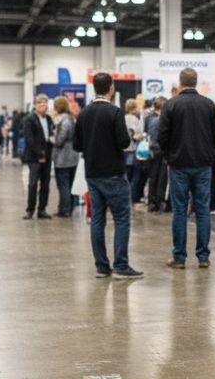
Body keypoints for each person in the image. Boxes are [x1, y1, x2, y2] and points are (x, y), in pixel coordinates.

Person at [75, 72, 143, 279]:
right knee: (122, 218)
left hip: (92, 173)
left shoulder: (84, 113)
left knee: (97, 218)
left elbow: (77, 145)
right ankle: (121, 265)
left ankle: (102, 267)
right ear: (111, 88)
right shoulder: (114, 112)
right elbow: (123, 142)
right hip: (113, 172)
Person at [157, 68, 215, 269]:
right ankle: (203, 257)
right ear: (195, 82)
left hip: (178, 165)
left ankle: (179, 257)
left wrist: (170, 155)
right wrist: (206, 150)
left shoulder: (171, 104)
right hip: (202, 165)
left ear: (180, 83)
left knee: (179, 211)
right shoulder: (208, 104)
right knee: (202, 210)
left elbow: (162, 136)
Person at [21, 94, 53, 219]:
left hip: (47, 155)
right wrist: (39, 154)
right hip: (34, 156)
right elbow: (29, 140)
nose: (42, 106)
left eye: (44, 103)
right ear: (35, 105)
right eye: (39, 103)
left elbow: (50, 134)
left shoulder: (49, 119)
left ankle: (42, 209)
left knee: (46, 184)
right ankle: (30, 210)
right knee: (33, 184)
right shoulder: (29, 119)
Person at [52, 96, 79, 217]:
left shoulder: (61, 120)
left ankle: (64, 209)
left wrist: (51, 140)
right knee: (71, 184)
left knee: (63, 185)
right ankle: (70, 207)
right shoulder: (72, 118)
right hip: (73, 156)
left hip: (62, 158)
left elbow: (59, 140)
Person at [144, 97, 169, 212]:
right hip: (162, 150)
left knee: (152, 177)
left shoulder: (148, 118)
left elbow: (146, 133)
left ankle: (151, 202)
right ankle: (160, 201)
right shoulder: (164, 119)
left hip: (151, 150)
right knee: (162, 178)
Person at [124, 98, 147, 204]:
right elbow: (137, 134)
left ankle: (126, 197)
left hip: (124, 150)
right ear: (133, 108)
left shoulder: (122, 118)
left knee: (127, 175)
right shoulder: (134, 120)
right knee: (136, 175)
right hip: (133, 150)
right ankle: (132, 197)